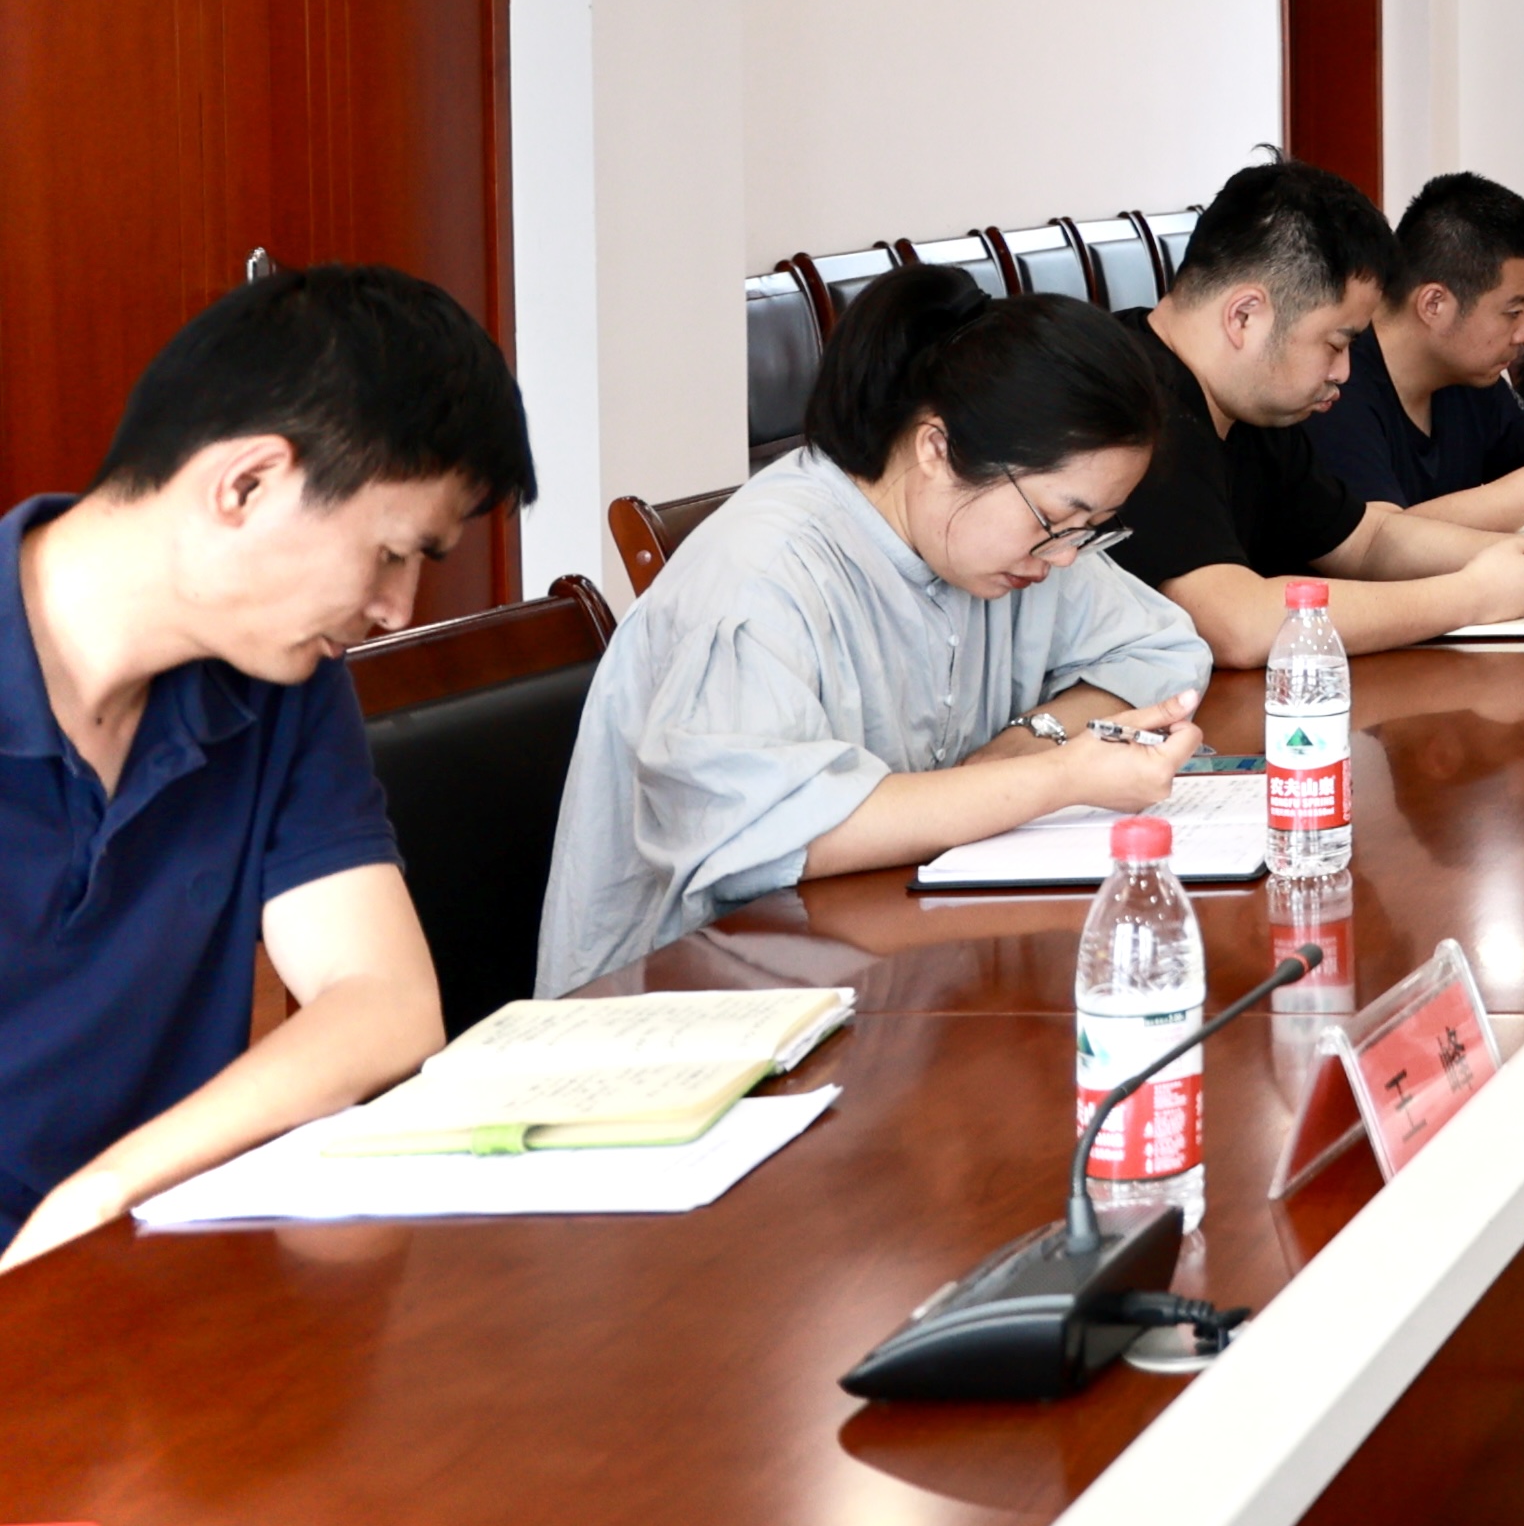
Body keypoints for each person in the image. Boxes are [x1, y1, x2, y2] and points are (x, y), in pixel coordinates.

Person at [3, 268, 533, 1268]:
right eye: (391, 553)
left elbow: (385, 999)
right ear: (245, 485)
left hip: (133, 1267)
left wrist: (106, 1189)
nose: (397, 611)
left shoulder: (280, 683)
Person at [534, 268, 1215, 992]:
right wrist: (1057, 777)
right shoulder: (763, 578)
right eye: (1056, 519)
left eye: (1091, 527)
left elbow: (1160, 651)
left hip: (877, 967)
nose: (1066, 556)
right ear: (936, 449)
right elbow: (767, 834)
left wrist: (1026, 742)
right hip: (687, 1002)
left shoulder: (1006, 540)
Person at [1124, 159, 1524, 665]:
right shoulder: (1128, 401)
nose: (1345, 371)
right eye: (1335, 343)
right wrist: (1471, 596)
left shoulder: (1251, 404)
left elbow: (1368, 540)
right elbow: (1236, 624)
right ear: (1244, 316)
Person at [1313, 172, 1524, 525]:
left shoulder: (1470, 376)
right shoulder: (1335, 384)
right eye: (1513, 312)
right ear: (1434, 304)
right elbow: (1379, 537)